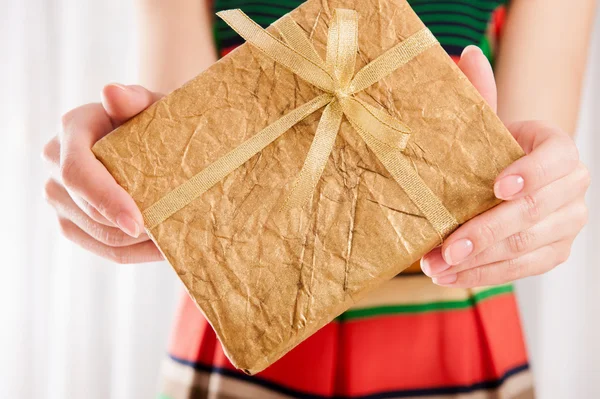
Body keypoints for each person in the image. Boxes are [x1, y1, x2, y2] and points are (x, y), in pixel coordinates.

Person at [42, 0, 596, 398]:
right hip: (246, 315)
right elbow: (189, 167)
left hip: (450, 337)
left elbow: (521, 170)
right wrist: (121, 161)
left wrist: (544, 200)